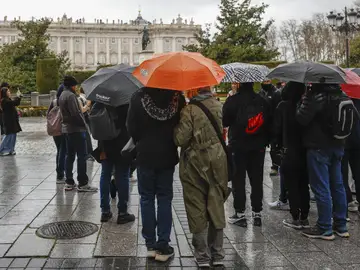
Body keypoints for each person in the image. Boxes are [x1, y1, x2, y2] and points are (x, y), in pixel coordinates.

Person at [127, 87, 185, 262]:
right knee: (165, 198)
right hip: (167, 154)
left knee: (146, 198)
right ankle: (163, 243)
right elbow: (180, 126)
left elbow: (131, 127)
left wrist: (142, 140)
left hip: (145, 154)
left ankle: (150, 244)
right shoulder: (177, 98)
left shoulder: (137, 97)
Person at [174, 87, 229, 268]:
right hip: (218, 160)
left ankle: (203, 256)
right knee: (216, 203)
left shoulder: (189, 110)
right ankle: (218, 254)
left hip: (195, 163)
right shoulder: (219, 106)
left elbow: (180, 139)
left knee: (196, 206)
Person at [296, 84, 348, 240]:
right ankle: (341, 225)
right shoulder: (342, 95)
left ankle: (324, 227)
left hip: (318, 147)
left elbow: (301, 119)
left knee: (321, 187)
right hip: (338, 145)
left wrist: (304, 102)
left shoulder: (314, 97)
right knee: (338, 185)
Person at [223, 82, 271, 227]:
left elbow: (225, 121)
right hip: (258, 146)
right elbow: (269, 122)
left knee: (239, 179)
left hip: (238, 145)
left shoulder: (232, 100)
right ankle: (257, 213)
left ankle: (240, 213)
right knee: (257, 179)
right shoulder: (262, 100)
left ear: (239, 84)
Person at [273, 82, 310, 229]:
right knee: (303, 185)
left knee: (291, 186)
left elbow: (276, 129)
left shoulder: (282, 106)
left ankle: (295, 216)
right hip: (305, 150)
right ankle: (305, 217)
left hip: (288, 151)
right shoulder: (305, 105)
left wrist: (275, 147)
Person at [95, 103, 135, 224]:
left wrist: (101, 147)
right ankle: (122, 212)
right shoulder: (128, 102)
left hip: (106, 144)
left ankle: (105, 211)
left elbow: (97, 123)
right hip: (123, 144)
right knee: (123, 176)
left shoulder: (102, 100)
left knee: (105, 175)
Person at [59, 75, 97, 192]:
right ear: (72, 86)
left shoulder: (62, 95)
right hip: (76, 129)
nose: (76, 88)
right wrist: (84, 126)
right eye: (75, 86)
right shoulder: (70, 96)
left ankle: (69, 181)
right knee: (82, 156)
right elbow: (76, 114)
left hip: (67, 129)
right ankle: (83, 182)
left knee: (69, 155)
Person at [259, 80, 282, 176]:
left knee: (274, 147)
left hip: (273, 123)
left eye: (267, 80)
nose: (266, 82)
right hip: (263, 123)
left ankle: (275, 166)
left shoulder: (276, 93)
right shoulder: (260, 93)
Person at [341, 98, 360, 214]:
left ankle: (348, 200)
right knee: (358, 172)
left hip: (344, 140)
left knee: (342, 174)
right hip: (358, 139)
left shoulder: (343, 98)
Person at [48, 84, 66, 183]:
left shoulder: (54, 102)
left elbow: (48, 115)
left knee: (59, 150)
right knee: (64, 151)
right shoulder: (65, 101)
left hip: (55, 129)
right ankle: (60, 174)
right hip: (63, 129)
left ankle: (59, 173)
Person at [0, 86, 22, 156]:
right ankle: (1, 149)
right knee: (8, 135)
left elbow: (16, 103)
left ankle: (11, 149)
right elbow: (14, 103)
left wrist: (18, 97)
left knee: (13, 135)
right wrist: (18, 97)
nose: (9, 92)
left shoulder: (7, 99)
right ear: (5, 93)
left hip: (12, 120)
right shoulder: (4, 100)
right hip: (8, 121)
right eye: (8, 91)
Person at [78, 87, 94, 161]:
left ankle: (88, 153)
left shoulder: (85, 98)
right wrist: (88, 105)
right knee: (87, 137)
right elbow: (82, 110)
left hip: (86, 120)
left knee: (87, 136)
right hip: (83, 120)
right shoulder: (80, 98)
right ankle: (89, 154)